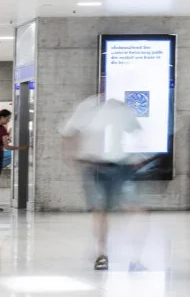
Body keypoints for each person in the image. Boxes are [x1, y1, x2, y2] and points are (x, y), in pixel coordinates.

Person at [62, 96, 143, 271]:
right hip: (95, 167)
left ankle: (135, 258)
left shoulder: (122, 109)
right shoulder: (88, 106)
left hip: (122, 166)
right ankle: (101, 254)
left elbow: (136, 132)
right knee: (100, 212)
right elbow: (69, 132)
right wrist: (72, 154)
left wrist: (137, 157)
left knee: (133, 211)